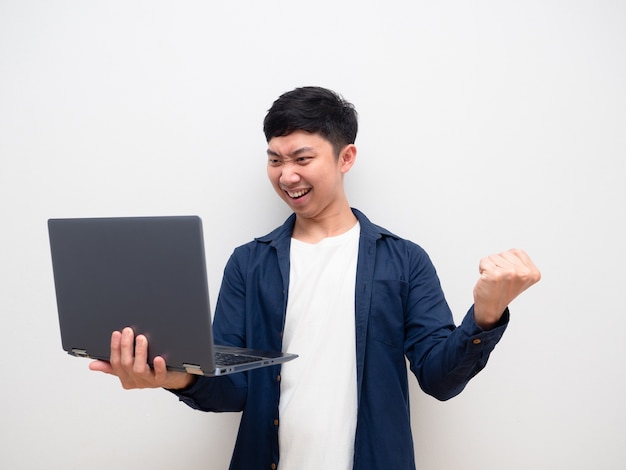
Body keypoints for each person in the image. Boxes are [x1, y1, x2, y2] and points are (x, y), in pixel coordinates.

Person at [89, 86, 541, 469]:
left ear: (346, 157)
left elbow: (440, 380)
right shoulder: (249, 264)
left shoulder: (404, 262)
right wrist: (172, 377)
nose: (287, 176)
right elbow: (231, 390)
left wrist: (486, 314)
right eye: (274, 159)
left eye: (302, 157)